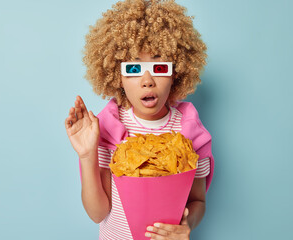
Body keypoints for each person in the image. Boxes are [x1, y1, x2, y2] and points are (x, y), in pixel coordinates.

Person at [65, 0, 214, 239]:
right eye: (133, 69)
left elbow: (197, 201)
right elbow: (97, 213)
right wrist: (86, 155)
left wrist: (188, 225)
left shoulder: (191, 132)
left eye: (159, 67)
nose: (147, 80)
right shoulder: (106, 130)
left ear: (176, 73)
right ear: (116, 76)